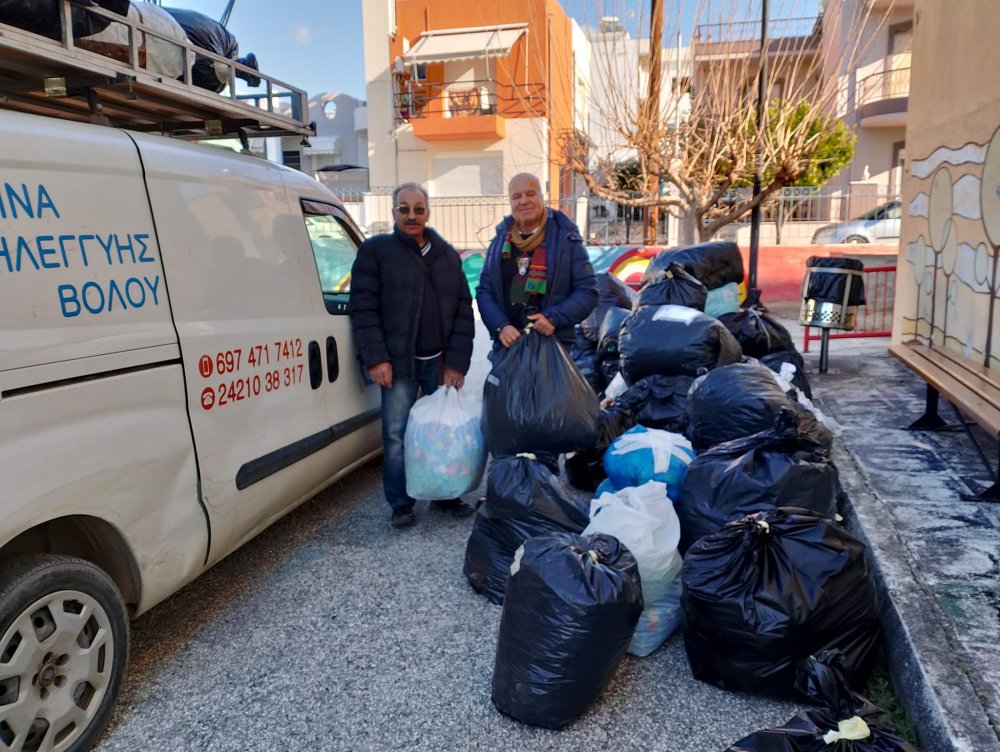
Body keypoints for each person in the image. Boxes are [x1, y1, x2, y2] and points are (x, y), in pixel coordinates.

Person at [349, 182, 476, 528]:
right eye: (403, 208)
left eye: (418, 209)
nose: (411, 215)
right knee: (396, 435)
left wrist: (455, 364)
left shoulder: (446, 255)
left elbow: (464, 310)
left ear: (428, 213)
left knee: (442, 432)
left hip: (439, 364)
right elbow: (363, 309)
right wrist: (376, 359)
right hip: (397, 364)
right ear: (393, 213)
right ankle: (401, 504)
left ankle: (445, 494)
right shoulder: (376, 252)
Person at [476, 172, 598, 354]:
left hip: (553, 349)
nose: (523, 201)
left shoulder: (566, 239)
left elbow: (588, 292)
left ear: (542, 197)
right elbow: (485, 291)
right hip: (508, 349)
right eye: (516, 196)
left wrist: (553, 318)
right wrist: (501, 326)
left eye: (530, 194)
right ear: (511, 202)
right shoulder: (500, 241)